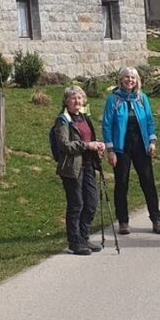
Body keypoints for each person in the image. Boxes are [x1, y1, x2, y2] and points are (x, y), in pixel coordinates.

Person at [101, 67, 160, 235]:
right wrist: (110, 150)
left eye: (133, 78)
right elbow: (107, 125)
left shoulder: (141, 98)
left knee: (148, 181)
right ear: (121, 79)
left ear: (137, 80)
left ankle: (157, 220)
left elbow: (149, 120)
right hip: (121, 146)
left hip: (141, 144)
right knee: (121, 183)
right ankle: (123, 221)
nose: (130, 80)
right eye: (127, 77)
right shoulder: (113, 99)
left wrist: (152, 141)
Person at [52, 85, 107, 255]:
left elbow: (90, 138)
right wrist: (86, 145)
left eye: (80, 98)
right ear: (66, 101)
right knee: (76, 204)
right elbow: (64, 145)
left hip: (88, 165)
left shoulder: (84, 117)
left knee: (91, 203)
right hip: (71, 169)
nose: (77, 101)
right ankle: (74, 242)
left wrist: (97, 146)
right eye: (73, 98)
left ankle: (84, 238)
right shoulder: (63, 120)